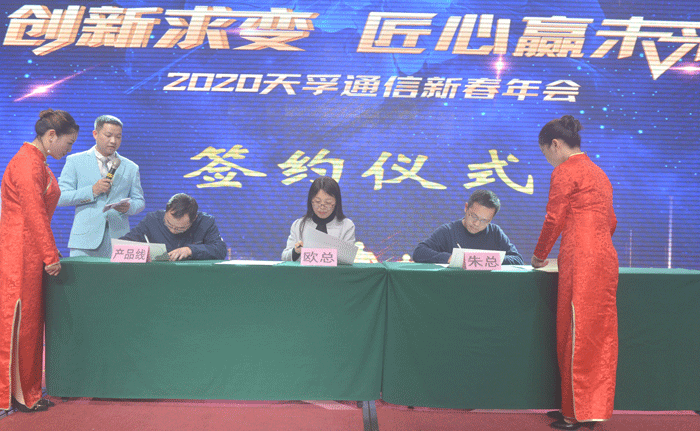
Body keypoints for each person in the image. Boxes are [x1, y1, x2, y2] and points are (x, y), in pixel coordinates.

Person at [531, 115, 618, 430]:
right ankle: (591, 409)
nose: (547, 159)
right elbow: (611, 221)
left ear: (555, 144)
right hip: (605, 257)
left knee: (573, 331)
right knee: (599, 335)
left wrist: (539, 255)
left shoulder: (565, 171)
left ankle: (574, 413)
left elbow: (554, 218)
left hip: (580, 258)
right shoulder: (599, 172)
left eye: (545, 152)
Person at [0, 109, 79, 412]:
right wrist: (50, 255)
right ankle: (17, 394)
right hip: (20, 252)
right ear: (51, 136)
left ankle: (25, 391)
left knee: (29, 323)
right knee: (20, 322)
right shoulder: (27, 163)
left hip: (28, 249)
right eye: (68, 143)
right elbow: (34, 214)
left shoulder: (37, 161)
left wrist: (47, 252)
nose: (68, 149)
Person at [57, 115, 145, 257]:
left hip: (119, 241)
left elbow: (139, 201)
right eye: (108, 135)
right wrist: (92, 191)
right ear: (95, 134)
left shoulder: (131, 167)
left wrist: (129, 207)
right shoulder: (75, 161)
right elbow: (60, 197)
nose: (113, 141)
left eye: (118, 137)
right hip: (84, 241)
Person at [412, 189, 524, 265]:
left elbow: (518, 259)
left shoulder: (495, 232)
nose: (477, 223)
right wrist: (450, 258)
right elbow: (419, 252)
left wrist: (487, 260)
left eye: (484, 221)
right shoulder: (448, 231)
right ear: (466, 207)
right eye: (474, 216)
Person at [120, 193, 227, 261]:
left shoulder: (205, 222)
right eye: (168, 224)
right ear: (166, 211)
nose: (172, 230)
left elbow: (220, 250)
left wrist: (190, 250)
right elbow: (124, 243)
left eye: (180, 228)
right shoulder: (152, 219)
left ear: (194, 219)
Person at [282, 176, 355, 261]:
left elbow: (348, 259)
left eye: (328, 202)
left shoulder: (347, 226)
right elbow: (284, 257)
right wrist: (296, 252)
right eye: (317, 202)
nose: (322, 207)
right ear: (311, 201)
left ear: (336, 203)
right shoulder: (299, 225)